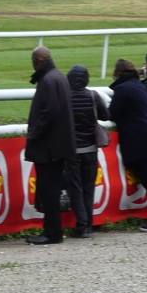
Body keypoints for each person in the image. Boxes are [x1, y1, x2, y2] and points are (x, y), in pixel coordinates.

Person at [108, 57, 147, 233]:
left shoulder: (122, 89)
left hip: (142, 138)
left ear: (117, 73)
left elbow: (113, 113)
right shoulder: (141, 85)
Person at [24, 47, 75, 246]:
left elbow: (49, 112)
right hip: (59, 144)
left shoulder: (48, 81)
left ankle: (52, 232)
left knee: (49, 190)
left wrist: (34, 132)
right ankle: (54, 231)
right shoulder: (59, 77)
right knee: (51, 188)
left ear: (37, 61)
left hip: (49, 147)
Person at [62, 65, 101, 238]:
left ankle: (82, 224)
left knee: (75, 188)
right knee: (88, 188)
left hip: (72, 150)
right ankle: (88, 224)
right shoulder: (93, 95)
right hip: (91, 149)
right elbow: (106, 115)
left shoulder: (64, 97)